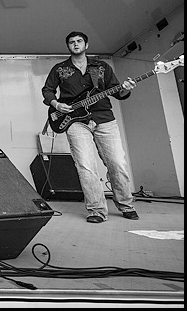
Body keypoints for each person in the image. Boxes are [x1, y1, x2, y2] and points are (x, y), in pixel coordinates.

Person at [42, 31, 139, 223]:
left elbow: (117, 92)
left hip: (104, 118)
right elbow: (47, 90)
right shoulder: (59, 69)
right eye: (72, 42)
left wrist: (125, 89)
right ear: (68, 46)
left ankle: (126, 204)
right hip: (75, 122)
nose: (76, 44)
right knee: (86, 166)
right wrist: (56, 104)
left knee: (117, 163)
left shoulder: (101, 67)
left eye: (79, 41)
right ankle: (96, 210)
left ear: (86, 45)